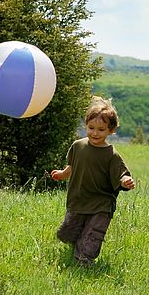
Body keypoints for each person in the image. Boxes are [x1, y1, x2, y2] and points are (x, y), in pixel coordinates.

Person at [51, 96, 135, 266]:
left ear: (111, 131)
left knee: (93, 233)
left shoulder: (111, 155)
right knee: (68, 232)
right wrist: (62, 174)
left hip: (101, 202)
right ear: (86, 125)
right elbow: (72, 167)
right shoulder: (78, 146)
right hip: (79, 199)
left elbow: (121, 174)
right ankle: (76, 243)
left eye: (101, 129)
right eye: (91, 128)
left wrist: (125, 180)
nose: (95, 133)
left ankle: (84, 260)